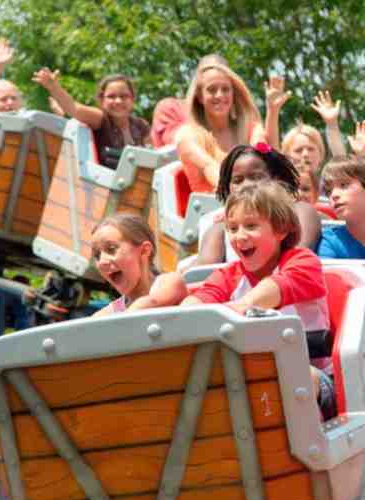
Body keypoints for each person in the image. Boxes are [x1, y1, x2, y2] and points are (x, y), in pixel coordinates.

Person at [182, 182, 337, 421]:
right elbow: (192, 308)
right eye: (232, 228)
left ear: (281, 229)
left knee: (293, 376)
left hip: (313, 376)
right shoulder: (228, 275)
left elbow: (273, 289)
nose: (239, 236)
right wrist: (187, 316)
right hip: (247, 377)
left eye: (251, 226)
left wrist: (238, 308)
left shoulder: (302, 262)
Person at [193, 143, 322, 267]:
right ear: (228, 187)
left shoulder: (300, 211)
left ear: (277, 179)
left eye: (256, 177)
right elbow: (201, 270)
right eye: (238, 181)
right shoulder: (220, 228)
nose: (246, 185)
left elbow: (297, 256)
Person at [175, 59, 266, 193]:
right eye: (212, 90)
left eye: (225, 89)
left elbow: (266, 162)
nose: (219, 95)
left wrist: (273, 111)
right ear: (200, 96)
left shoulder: (251, 129)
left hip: (252, 199)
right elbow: (209, 166)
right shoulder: (187, 135)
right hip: (212, 204)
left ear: (233, 93)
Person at [32, 69, 150, 169]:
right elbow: (74, 108)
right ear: (101, 100)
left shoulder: (141, 125)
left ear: (132, 99)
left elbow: (153, 156)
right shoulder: (100, 118)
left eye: (124, 96)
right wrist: (53, 87)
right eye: (111, 96)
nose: (118, 101)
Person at [91, 214, 187, 316]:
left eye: (111, 249)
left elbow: (151, 302)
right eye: (97, 255)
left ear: (144, 251)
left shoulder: (169, 282)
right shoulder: (111, 311)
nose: (101, 262)